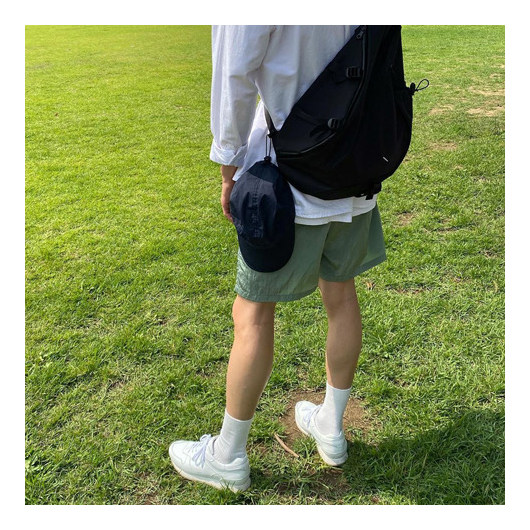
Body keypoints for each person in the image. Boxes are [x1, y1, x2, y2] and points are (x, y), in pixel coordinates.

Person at [169, 25, 387, 493]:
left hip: (288, 179)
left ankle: (228, 455)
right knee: (342, 296)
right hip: (355, 169)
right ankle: (330, 425)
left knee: (252, 314)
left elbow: (234, 74)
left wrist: (228, 168)